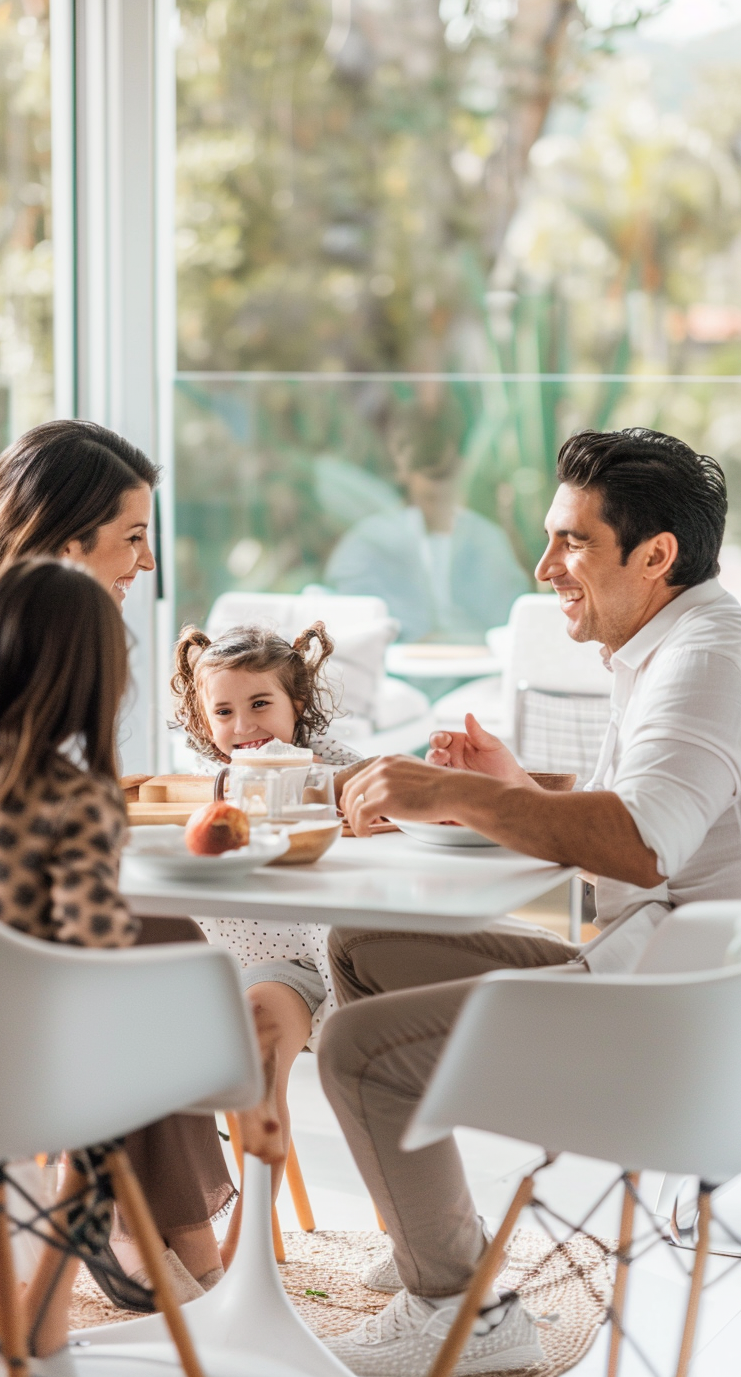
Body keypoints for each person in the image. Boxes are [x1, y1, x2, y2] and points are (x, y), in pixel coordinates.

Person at [317, 427, 741, 1376]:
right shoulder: (674, 642)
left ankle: (465, 1318)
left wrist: (454, 796)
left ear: (657, 554)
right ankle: (439, 1251)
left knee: (356, 1052)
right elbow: (650, 808)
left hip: (674, 1023)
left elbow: (639, 844)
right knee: (362, 947)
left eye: (573, 542)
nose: (546, 565)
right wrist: (516, 784)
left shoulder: (705, 660)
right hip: (638, 969)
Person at [0, 560, 284, 1357]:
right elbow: (95, 949)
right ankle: (45, 1318)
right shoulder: (77, 795)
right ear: (95, 675)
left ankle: (24, 1319)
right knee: (100, 1126)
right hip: (25, 1078)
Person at [0, 419, 234, 1298]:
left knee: (155, 947)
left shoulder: (34, 662)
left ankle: (155, 1230)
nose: (144, 566)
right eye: (134, 538)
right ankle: (145, 1230)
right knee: (154, 956)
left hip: (14, 963)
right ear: (66, 544)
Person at [170, 619, 362, 1258]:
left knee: (256, 1038)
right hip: (204, 970)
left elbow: (381, 803)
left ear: (296, 706)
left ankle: (243, 1246)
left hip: (295, 968)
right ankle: (143, 1228)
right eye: (223, 711)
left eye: (261, 704)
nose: (244, 726)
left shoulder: (335, 771)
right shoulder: (199, 785)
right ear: (203, 720)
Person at [325, 401, 529, 643]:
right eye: (430, 475)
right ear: (402, 470)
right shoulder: (369, 543)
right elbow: (350, 616)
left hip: (479, 669)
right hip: (393, 672)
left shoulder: (486, 540)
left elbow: (510, 619)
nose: (438, 488)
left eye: (445, 474)